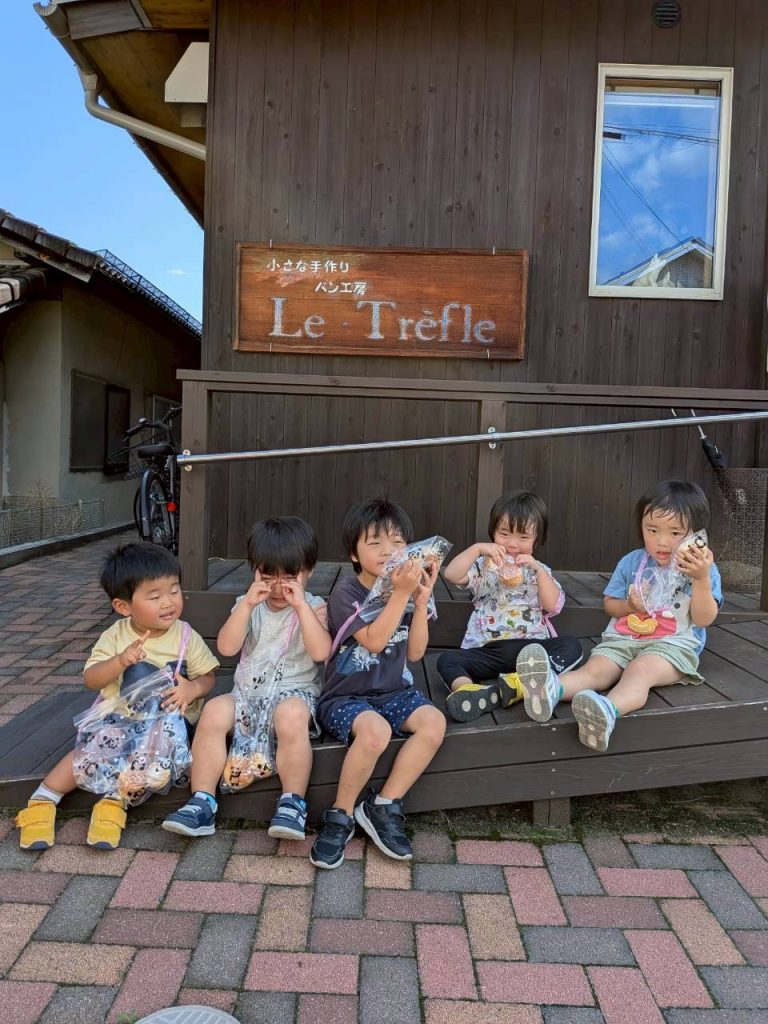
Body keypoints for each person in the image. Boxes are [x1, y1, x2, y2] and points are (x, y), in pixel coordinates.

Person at [16, 543, 219, 851]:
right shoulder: (116, 635)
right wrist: (120, 661)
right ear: (124, 606)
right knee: (90, 753)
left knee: (147, 765)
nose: (168, 603)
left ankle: (113, 805)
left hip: (161, 725)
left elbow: (208, 677)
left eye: (174, 591)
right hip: (119, 716)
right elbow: (91, 679)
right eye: (155, 596)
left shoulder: (185, 635)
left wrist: (192, 689)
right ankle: (43, 800)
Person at [517, 480, 722, 751]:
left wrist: (701, 579)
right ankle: (549, 691)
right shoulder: (632, 562)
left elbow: (705, 618)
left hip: (672, 646)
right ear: (641, 527)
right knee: (595, 670)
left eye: (675, 532)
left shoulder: (702, 570)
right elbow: (610, 605)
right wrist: (629, 607)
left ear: (694, 534)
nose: (662, 541)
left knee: (640, 671)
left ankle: (607, 709)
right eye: (652, 530)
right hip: (623, 639)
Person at [163, 516, 331, 841]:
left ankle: (292, 802)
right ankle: (202, 801)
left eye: (290, 577)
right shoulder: (249, 605)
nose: (280, 587)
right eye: (269, 575)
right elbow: (227, 647)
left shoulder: (314, 607)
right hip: (248, 697)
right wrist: (247, 606)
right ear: (254, 571)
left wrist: (301, 608)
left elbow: (321, 651)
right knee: (212, 712)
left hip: (294, 697)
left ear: (309, 571)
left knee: (291, 715)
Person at [310, 497, 446, 870]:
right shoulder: (346, 595)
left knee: (433, 724)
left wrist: (420, 604)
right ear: (354, 553)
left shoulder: (409, 587)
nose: (388, 551)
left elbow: (415, 654)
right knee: (375, 733)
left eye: (397, 542)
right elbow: (372, 641)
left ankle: (383, 804)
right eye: (375, 543)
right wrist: (400, 594)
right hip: (346, 696)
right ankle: (340, 815)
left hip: (393, 691)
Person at [439, 491, 583, 722]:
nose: (513, 544)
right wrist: (477, 549)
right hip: (488, 648)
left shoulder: (539, 570)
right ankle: (469, 691)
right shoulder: (483, 566)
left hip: (531, 650)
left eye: (523, 537)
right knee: (447, 660)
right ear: (493, 533)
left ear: (536, 541)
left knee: (572, 646)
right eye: (504, 534)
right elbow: (451, 574)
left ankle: (521, 683)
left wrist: (538, 572)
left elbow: (553, 604)